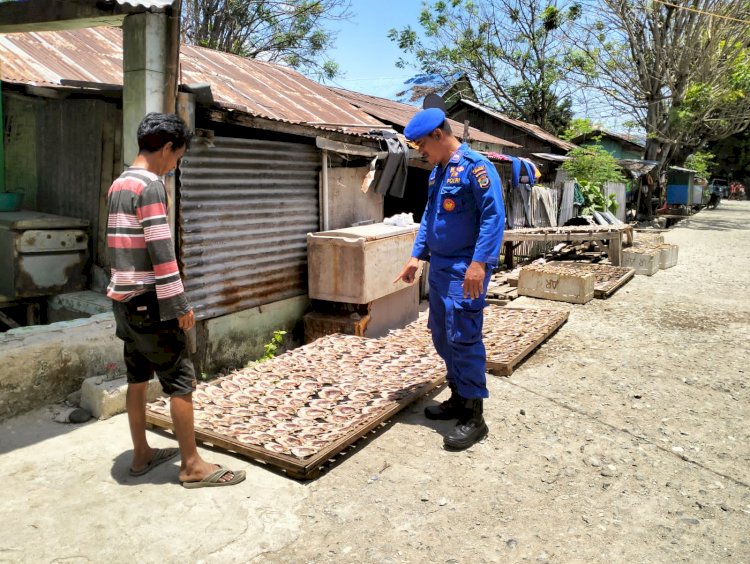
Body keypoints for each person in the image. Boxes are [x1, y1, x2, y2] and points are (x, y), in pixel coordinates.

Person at [107, 113, 245, 488]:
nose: (175, 165)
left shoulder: (120, 183)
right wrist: (180, 305)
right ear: (167, 147)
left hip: (123, 300)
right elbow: (161, 250)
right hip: (149, 301)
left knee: (137, 378)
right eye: (178, 157)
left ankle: (141, 454)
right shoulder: (151, 185)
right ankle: (192, 466)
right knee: (180, 379)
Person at [394, 107, 505, 450]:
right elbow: (429, 216)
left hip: (464, 268)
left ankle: (475, 416)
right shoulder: (438, 173)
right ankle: (458, 396)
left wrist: (479, 264)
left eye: (421, 145)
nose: (421, 152)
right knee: (441, 334)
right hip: (440, 266)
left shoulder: (476, 167)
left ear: (438, 136)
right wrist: (416, 256)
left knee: (464, 336)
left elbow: (493, 216)